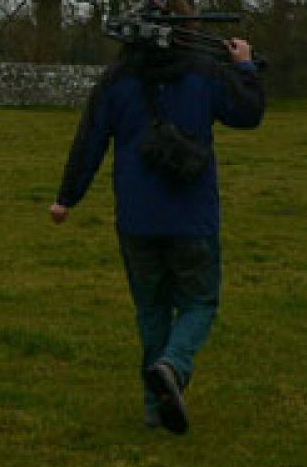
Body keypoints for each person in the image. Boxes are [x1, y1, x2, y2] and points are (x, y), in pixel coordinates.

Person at [49, 30, 264, 435]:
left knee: (151, 308)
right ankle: (173, 366)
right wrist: (245, 67)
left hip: (137, 217)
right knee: (200, 302)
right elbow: (248, 113)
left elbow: (90, 140)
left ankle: (155, 407)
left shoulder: (117, 79)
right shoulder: (204, 71)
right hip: (193, 216)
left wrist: (66, 198)